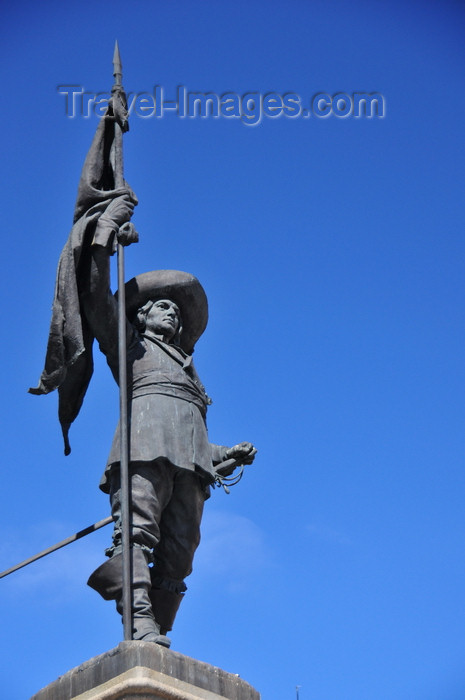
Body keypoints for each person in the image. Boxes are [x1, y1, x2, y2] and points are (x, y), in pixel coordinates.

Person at [81, 194, 256, 646]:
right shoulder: (130, 348)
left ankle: (158, 624)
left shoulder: (191, 374)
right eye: (163, 307)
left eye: (177, 312)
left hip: (190, 465)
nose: (172, 313)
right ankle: (137, 621)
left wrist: (224, 453)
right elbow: (98, 297)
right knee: (137, 534)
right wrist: (105, 237)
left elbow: (189, 430)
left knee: (180, 554)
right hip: (141, 451)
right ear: (141, 315)